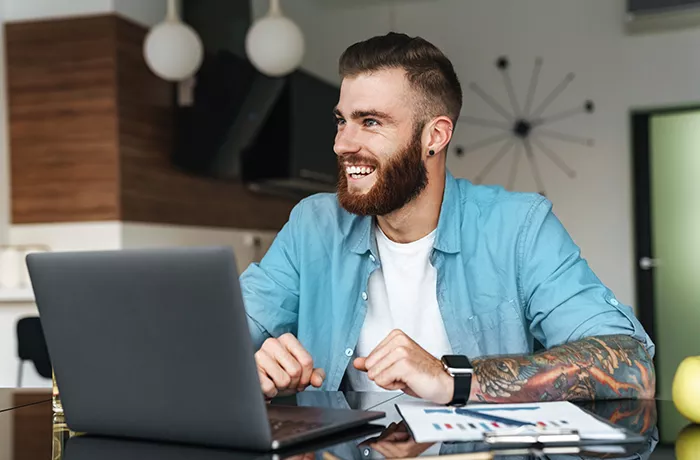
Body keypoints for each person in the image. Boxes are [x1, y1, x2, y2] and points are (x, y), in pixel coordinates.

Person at [240, 32, 655, 404]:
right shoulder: (314, 226)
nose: (342, 144)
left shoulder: (519, 227)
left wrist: (454, 378)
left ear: (434, 137)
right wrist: (249, 361)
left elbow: (630, 366)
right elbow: (215, 336)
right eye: (342, 121)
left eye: (370, 122)